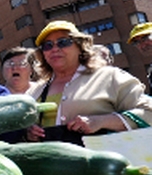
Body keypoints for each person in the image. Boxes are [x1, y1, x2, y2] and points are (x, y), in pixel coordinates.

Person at [24, 20, 152, 144]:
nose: (55, 49)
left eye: (63, 42)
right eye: (48, 45)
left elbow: (148, 112)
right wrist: (28, 133)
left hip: (104, 163)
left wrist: (102, 121)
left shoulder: (109, 77)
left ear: (80, 46)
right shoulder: (34, 91)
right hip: (50, 164)